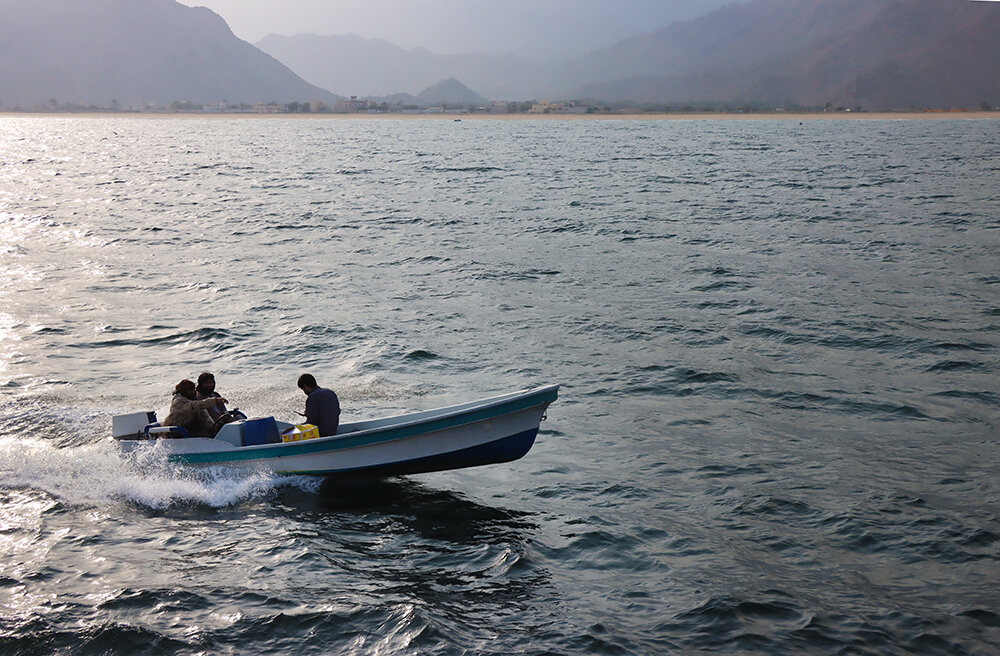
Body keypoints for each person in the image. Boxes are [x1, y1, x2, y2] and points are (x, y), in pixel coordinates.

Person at [161, 379, 228, 437]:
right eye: (189, 390)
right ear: (183, 390)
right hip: (176, 432)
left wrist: (212, 426)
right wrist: (214, 401)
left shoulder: (193, 399)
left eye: (193, 389)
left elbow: (203, 415)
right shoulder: (178, 401)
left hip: (190, 429)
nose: (192, 392)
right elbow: (193, 406)